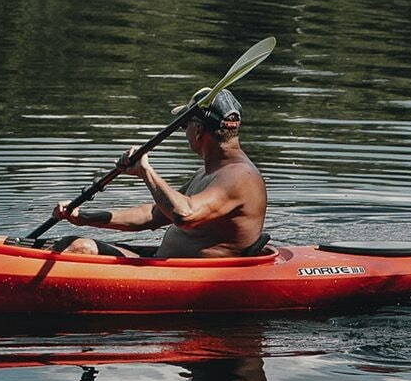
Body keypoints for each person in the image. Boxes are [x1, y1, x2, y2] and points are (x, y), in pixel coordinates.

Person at [49, 88, 267, 258]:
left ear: (199, 130)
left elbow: (184, 215)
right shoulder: (210, 172)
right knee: (72, 243)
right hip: (164, 262)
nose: (185, 133)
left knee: (79, 247)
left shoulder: (240, 178)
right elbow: (154, 215)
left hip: (190, 277)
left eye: (184, 126)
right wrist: (83, 217)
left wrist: (146, 171)